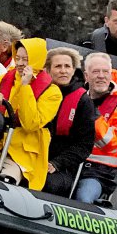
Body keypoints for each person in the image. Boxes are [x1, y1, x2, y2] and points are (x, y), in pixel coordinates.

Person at [0, 38, 62, 189]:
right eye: (18, 58)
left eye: (26, 59)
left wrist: (25, 86)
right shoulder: (2, 79)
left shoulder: (52, 92)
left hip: (21, 154)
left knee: (8, 179)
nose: (21, 63)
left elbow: (30, 123)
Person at [73, 52, 117, 204]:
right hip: (72, 163)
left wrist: (92, 113)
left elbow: (111, 142)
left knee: (83, 199)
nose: (101, 76)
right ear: (86, 77)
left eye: (105, 72)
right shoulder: (77, 98)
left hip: (101, 172)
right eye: (96, 72)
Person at [41, 48, 97, 197]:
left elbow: (84, 145)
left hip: (61, 167)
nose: (63, 71)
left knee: (48, 184)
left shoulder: (83, 101)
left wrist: (56, 164)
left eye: (67, 66)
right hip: (33, 155)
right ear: (48, 70)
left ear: (73, 70)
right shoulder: (38, 92)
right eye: (58, 66)